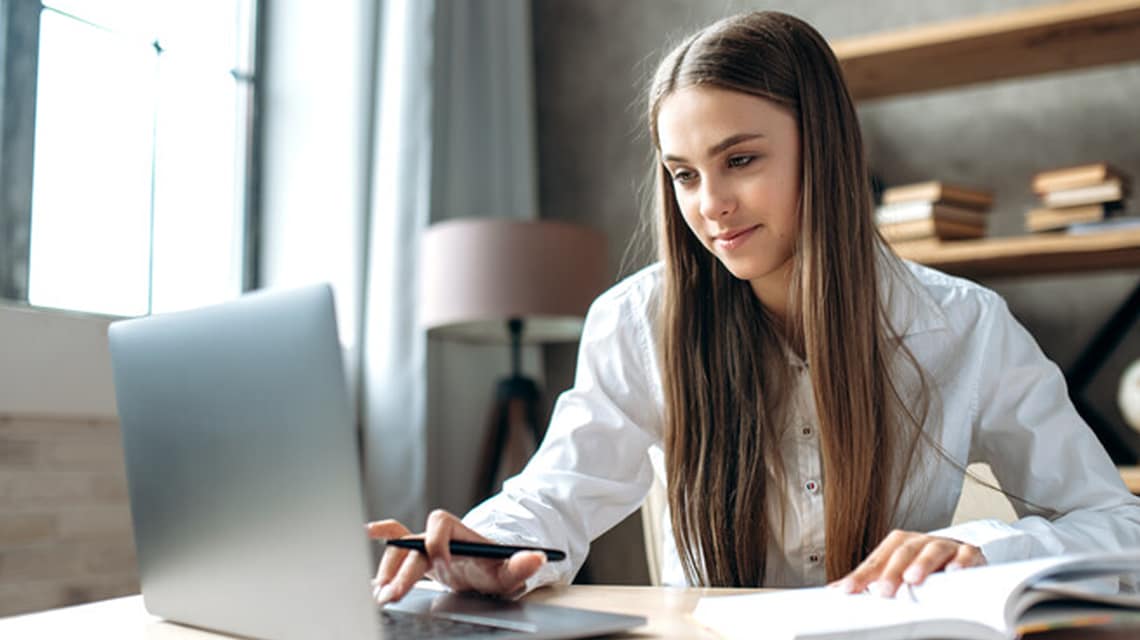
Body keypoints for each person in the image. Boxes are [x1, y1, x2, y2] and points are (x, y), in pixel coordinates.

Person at [367, 10, 1140, 604]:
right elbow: (556, 494)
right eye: (684, 174)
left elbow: (1118, 528)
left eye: (740, 160)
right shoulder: (638, 322)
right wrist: (480, 549)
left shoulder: (966, 325)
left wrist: (982, 548)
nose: (712, 207)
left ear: (824, 146)